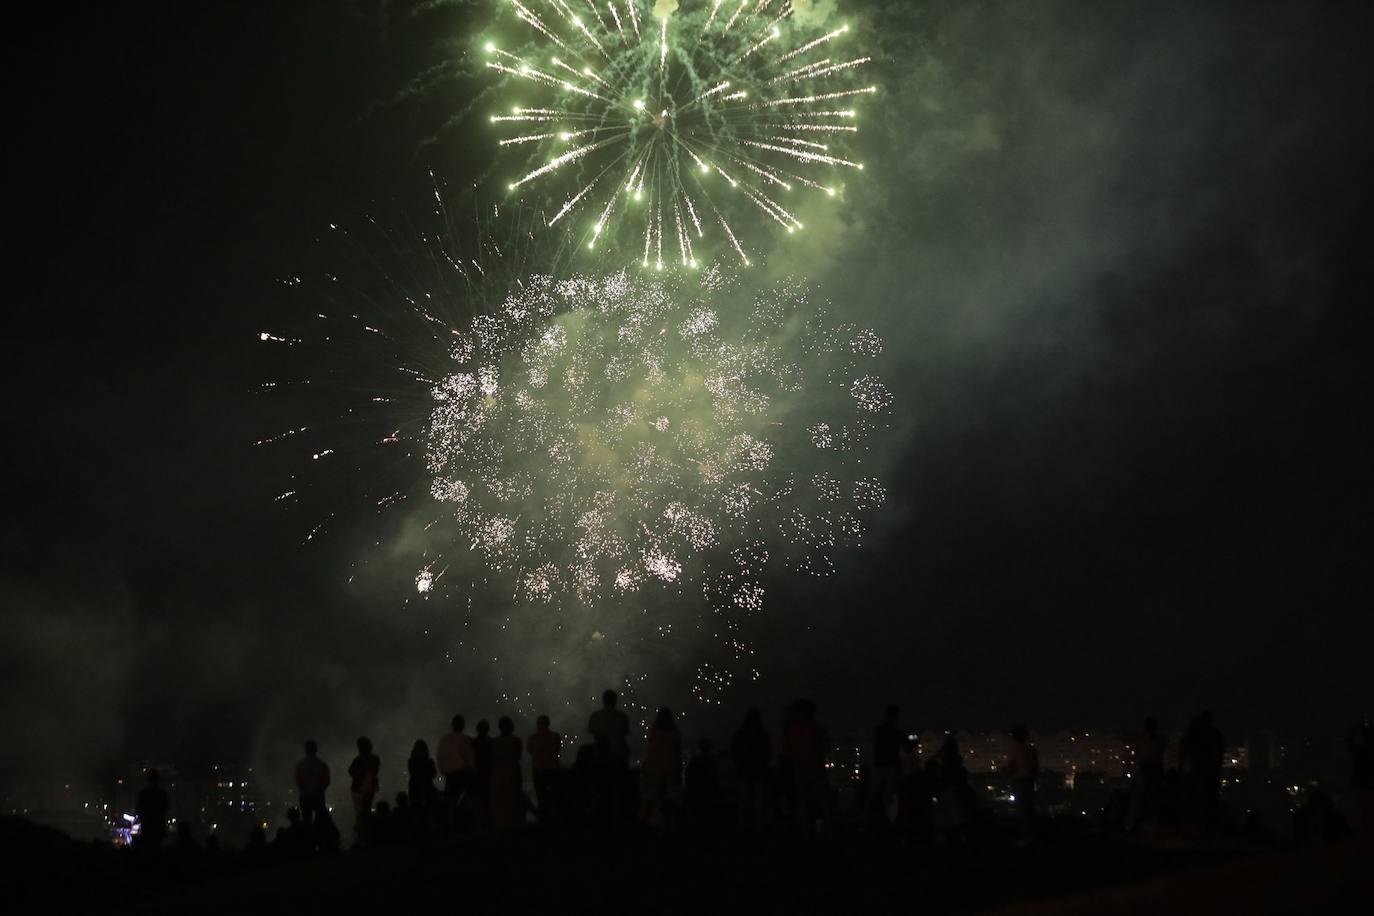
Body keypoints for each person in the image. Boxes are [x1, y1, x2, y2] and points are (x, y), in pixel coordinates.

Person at [783, 699, 830, 831]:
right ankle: (823, 828)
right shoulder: (818, 728)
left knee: (803, 800)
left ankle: (805, 830)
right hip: (817, 768)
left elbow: (787, 750)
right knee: (820, 800)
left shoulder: (792, 729)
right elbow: (827, 747)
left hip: (800, 768)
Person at [1180, 710, 1225, 829]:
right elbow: (1220, 754)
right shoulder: (1213, 735)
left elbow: (1183, 754)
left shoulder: (1196, 736)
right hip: (1205, 771)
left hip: (1201, 771)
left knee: (1202, 800)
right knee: (1206, 800)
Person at [589, 689, 630, 816]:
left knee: (602, 790)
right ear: (615, 701)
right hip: (619, 756)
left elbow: (591, 730)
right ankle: (618, 816)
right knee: (618, 790)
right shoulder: (621, 716)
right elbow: (625, 731)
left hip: (602, 757)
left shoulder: (596, 716)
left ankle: (603, 816)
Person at [641, 707, 683, 831]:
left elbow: (651, 750)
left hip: (655, 769)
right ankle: (672, 826)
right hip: (671, 769)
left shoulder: (654, 731)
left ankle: (656, 827)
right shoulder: (674, 732)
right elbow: (677, 750)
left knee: (656, 801)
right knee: (672, 800)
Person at [732, 707, 772, 831]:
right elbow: (768, 752)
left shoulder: (740, 734)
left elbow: (735, 751)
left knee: (744, 799)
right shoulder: (762, 735)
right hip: (759, 770)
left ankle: (743, 824)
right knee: (758, 799)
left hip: (744, 770)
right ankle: (757, 825)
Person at [1125, 717, 1166, 833]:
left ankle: (1139, 826)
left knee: (1147, 799)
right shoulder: (1154, 740)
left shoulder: (1144, 740)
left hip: (1150, 773)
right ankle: (1139, 826)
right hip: (1147, 773)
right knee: (1143, 799)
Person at [437, 714, 475, 833]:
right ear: (462, 725)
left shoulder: (444, 740)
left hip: (450, 775)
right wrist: (473, 770)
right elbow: (471, 758)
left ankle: (452, 826)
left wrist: (443, 772)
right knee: (467, 799)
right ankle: (467, 825)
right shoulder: (465, 739)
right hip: (463, 774)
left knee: (451, 802)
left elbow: (440, 758)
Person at [871, 705, 907, 823]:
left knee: (878, 795)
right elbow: (908, 748)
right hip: (892, 767)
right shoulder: (897, 732)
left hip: (880, 767)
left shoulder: (878, 730)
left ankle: (878, 820)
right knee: (890, 797)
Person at [1006, 725, 1039, 842]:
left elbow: (1010, 767)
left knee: (1021, 809)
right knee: (1029, 808)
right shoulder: (1031, 749)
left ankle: (1024, 836)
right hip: (1029, 781)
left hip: (1019, 781)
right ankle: (1030, 835)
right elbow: (1036, 768)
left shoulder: (1014, 749)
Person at [490, 716, 525, 830]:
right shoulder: (516, 741)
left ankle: (501, 825)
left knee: (501, 800)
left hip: (498, 773)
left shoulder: (494, 742)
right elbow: (519, 756)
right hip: (513, 771)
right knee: (513, 798)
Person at [526, 714, 562, 821]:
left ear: (538, 725)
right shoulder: (555, 736)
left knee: (540, 795)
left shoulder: (532, 738)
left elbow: (530, 751)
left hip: (538, 769)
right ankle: (554, 817)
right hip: (552, 768)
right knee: (554, 794)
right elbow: (558, 749)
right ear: (548, 724)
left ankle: (542, 818)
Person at [347, 736, 381, 845]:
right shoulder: (375, 759)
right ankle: (368, 837)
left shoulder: (358, 760)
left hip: (357, 789)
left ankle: (362, 838)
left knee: (360, 814)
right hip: (370, 788)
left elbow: (351, 772)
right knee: (366, 811)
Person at [294, 739, 331, 829]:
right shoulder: (322, 764)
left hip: (305, 797)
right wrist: (318, 790)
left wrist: (306, 789)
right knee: (321, 822)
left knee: (307, 822)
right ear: (316, 749)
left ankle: (308, 840)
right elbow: (326, 781)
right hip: (318, 797)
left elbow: (298, 781)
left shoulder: (301, 765)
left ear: (305, 750)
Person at [134, 768, 170, 852]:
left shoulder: (143, 794)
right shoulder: (161, 793)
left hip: (147, 828)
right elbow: (167, 808)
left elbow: (137, 810)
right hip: (158, 828)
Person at [1349, 718, 1374, 840]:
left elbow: (1349, 741)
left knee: (1364, 811)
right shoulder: (1363, 751)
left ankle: (1365, 835)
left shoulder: (1362, 751)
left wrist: (1357, 727)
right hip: (1366, 784)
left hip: (1363, 784)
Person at [472, 719, 493, 828]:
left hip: (477, 775)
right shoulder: (491, 742)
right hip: (488, 774)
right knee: (488, 799)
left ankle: (480, 823)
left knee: (479, 800)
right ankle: (488, 822)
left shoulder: (473, 743)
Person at [407, 740, 438, 813]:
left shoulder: (411, 761)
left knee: (415, 810)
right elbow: (434, 774)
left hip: (414, 787)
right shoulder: (429, 761)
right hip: (427, 787)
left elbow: (411, 773)